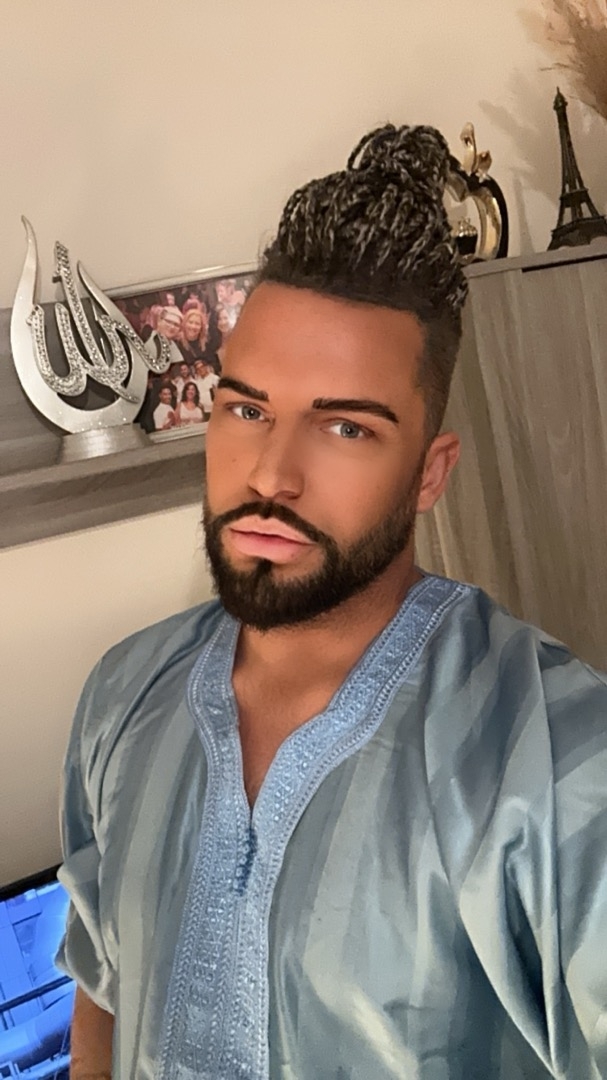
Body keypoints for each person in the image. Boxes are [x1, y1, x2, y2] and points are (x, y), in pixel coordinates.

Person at [56, 125, 607, 1080]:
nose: (271, 474)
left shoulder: (556, 760)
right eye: (246, 409)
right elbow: (101, 998)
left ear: (429, 473)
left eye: (345, 427)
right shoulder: (120, 696)